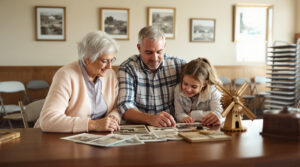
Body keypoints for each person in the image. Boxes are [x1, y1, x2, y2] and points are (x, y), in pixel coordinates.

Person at [34, 31, 121, 133]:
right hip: (58, 138)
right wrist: (93, 125)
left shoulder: (110, 75)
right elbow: (48, 120)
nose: (110, 66)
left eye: (112, 60)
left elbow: (117, 107)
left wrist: (113, 117)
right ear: (87, 59)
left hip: (98, 138)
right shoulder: (65, 75)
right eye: (105, 61)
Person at [118, 26, 185, 127]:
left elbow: (205, 82)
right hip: (140, 128)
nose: (154, 58)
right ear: (139, 48)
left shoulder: (178, 65)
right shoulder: (128, 68)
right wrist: (151, 119)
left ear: (165, 46)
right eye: (149, 52)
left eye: (159, 52)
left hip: (171, 127)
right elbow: (125, 106)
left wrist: (214, 113)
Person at [174, 57, 223, 126]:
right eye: (185, 84)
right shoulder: (178, 89)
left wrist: (193, 115)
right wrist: (183, 117)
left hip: (209, 128)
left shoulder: (213, 90)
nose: (188, 89)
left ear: (204, 84)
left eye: (194, 86)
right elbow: (178, 113)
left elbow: (218, 113)